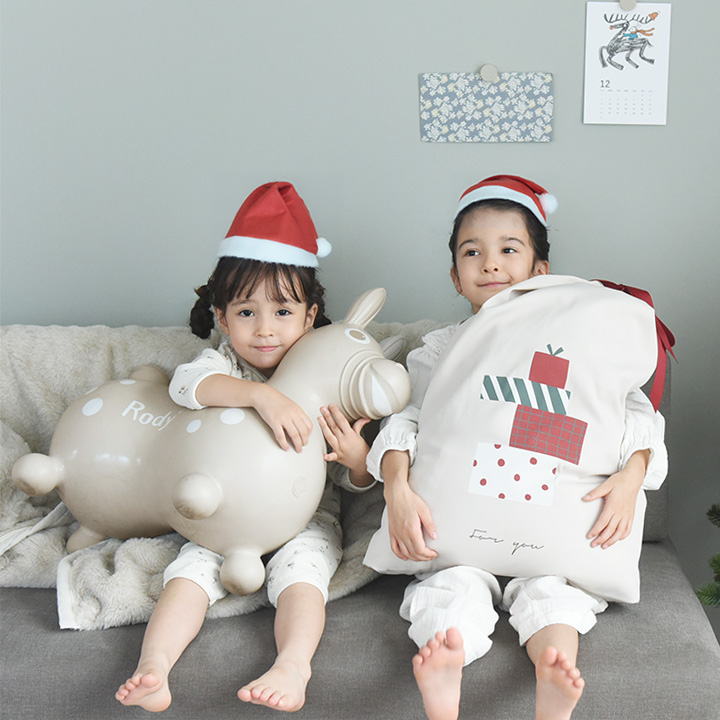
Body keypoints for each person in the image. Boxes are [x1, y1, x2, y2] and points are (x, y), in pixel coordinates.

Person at [365, 175, 667, 720]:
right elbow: (406, 422)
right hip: (457, 534)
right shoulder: (441, 349)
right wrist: (396, 490)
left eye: (509, 249)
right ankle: (447, 667)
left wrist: (631, 478)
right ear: (455, 276)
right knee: (451, 581)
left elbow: (636, 417)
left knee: (555, 588)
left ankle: (554, 668)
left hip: (555, 527)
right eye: (471, 252)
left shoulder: (580, 344)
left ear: (540, 270)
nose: (490, 264)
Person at [116, 182, 374, 713]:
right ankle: (154, 666)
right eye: (246, 312)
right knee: (188, 573)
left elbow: (353, 481)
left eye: (282, 312)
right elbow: (186, 386)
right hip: (225, 515)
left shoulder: (323, 377)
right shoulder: (224, 366)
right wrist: (261, 396)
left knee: (303, 575)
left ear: (310, 316)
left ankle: (292, 666)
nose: (264, 330)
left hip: (303, 518)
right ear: (222, 317)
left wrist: (356, 462)